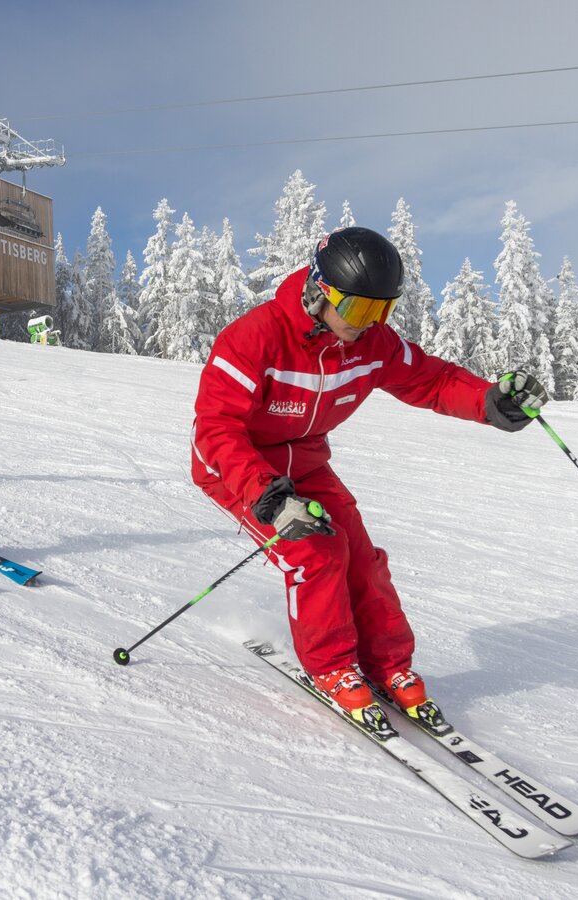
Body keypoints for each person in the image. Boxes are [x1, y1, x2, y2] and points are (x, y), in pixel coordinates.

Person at [191, 226, 550, 721]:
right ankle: (332, 667)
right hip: (239, 468)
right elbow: (215, 428)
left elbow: (432, 380)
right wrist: (266, 494)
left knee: (362, 558)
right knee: (316, 554)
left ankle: (388, 665)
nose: (368, 324)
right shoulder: (254, 338)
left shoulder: (372, 343)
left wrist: (488, 401)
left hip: (306, 462)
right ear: (318, 291)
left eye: (382, 311)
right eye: (359, 310)